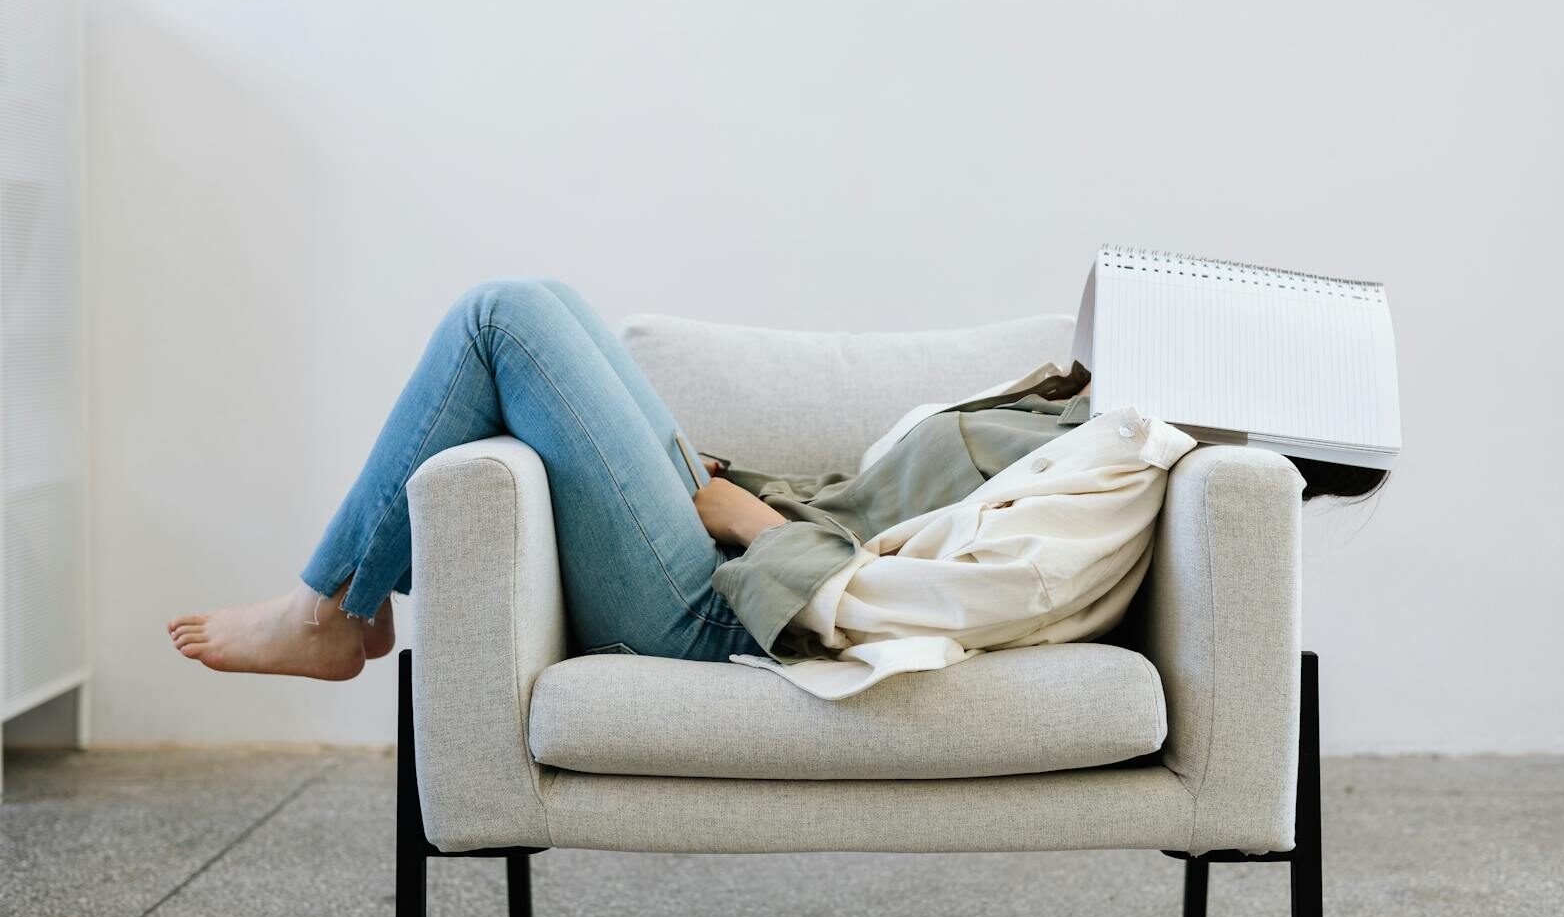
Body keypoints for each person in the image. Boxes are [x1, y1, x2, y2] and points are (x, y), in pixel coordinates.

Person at [167, 278, 1386, 687]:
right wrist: (743, 487)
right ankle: (349, 597)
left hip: (722, 613)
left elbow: (965, 601)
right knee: (549, 318)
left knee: (508, 314)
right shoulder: (1088, 418)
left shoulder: (1135, 469)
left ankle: (332, 609)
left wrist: (749, 523)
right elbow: (889, 504)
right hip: (731, 550)